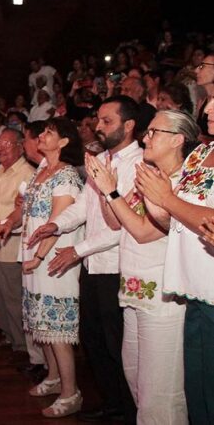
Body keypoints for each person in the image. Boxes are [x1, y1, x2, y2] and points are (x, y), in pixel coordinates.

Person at [27, 97, 142, 423]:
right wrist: (56, 224)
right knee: (94, 339)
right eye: (99, 121)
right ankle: (112, 404)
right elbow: (82, 206)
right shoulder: (101, 159)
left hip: (117, 266)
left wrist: (77, 250)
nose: (99, 127)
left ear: (128, 125)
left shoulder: (137, 164)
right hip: (93, 265)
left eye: (107, 121)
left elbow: (124, 226)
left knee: (118, 344)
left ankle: (129, 410)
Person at [87, 110, 197, 424]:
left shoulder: (182, 184)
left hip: (163, 298)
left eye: (153, 132)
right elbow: (115, 223)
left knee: (159, 393)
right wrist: (104, 187)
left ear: (177, 140)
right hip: (133, 287)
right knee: (136, 381)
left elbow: (144, 231)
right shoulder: (147, 174)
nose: (145, 138)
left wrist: (110, 191)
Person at [133, 56, 214, 423]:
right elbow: (172, 222)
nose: (208, 108)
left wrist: (165, 198)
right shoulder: (201, 157)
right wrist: (156, 198)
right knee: (199, 394)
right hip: (195, 292)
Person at [0, 117, 85, 418]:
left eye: (50, 132)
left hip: (54, 260)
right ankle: (53, 376)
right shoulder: (40, 173)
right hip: (34, 257)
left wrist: (39, 256)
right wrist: (10, 224)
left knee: (57, 328)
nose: (42, 136)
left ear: (64, 142)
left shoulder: (67, 176)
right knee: (40, 324)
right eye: (43, 132)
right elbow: (30, 215)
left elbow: (57, 223)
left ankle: (71, 393)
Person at [0, 128, 36, 360]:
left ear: (20, 146)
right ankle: (9, 336)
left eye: (7, 144)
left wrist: (0, 226)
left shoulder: (26, 172)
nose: (0, 148)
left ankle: (23, 347)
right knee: (1, 297)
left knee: (13, 298)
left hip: (12, 245)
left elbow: (23, 212)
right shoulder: (0, 171)